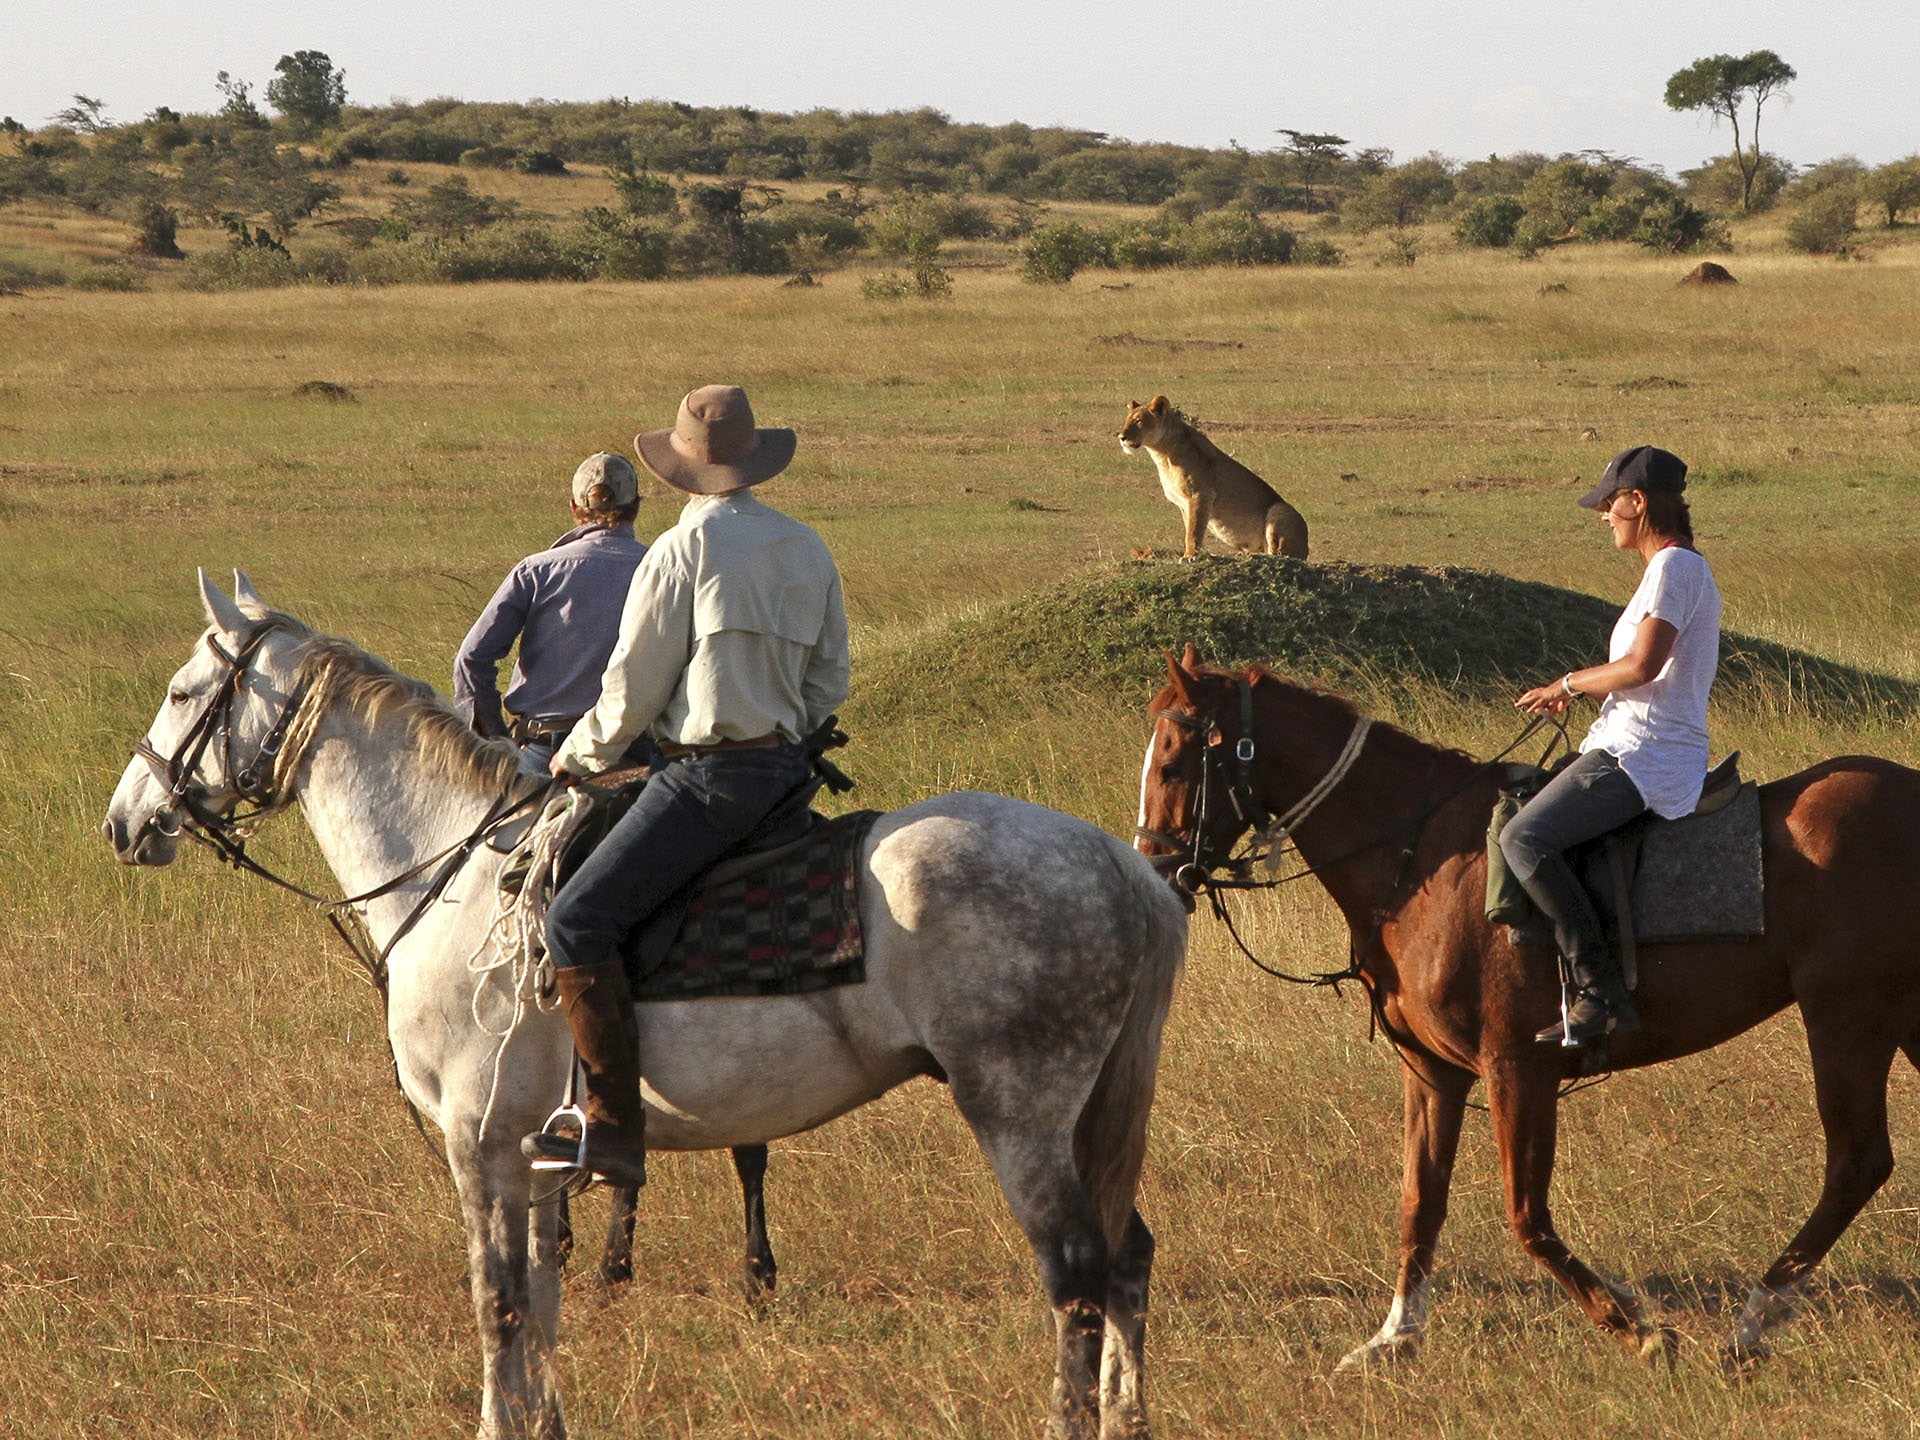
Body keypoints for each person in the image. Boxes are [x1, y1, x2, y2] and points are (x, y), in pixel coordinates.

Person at [523, 385, 851, 1188]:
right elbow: (830, 679)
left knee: (576, 918)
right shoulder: (806, 547)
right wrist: (781, 727)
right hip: (783, 774)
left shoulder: (680, 551)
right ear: (755, 459)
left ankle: (611, 1132)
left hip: (705, 778)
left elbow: (632, 690)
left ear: (677, 471)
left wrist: (577, 756)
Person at [1501, 444, 1721, 1046]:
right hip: (1625, 742)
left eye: (1609, 503)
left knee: (1524, 837)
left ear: (1638, 501)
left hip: (1646, 754)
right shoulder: (1666, 570)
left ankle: (1601, 993)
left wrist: (1566, 685)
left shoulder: (1677, 569)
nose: (1604, 514)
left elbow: (1642, 667)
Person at [453, 453, 650, 774]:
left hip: (544, 749)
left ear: (574, 507)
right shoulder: (660, 568)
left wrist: (498, 736)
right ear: (636, 506)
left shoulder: (536, 570)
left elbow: (471, 658)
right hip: (633, 749)